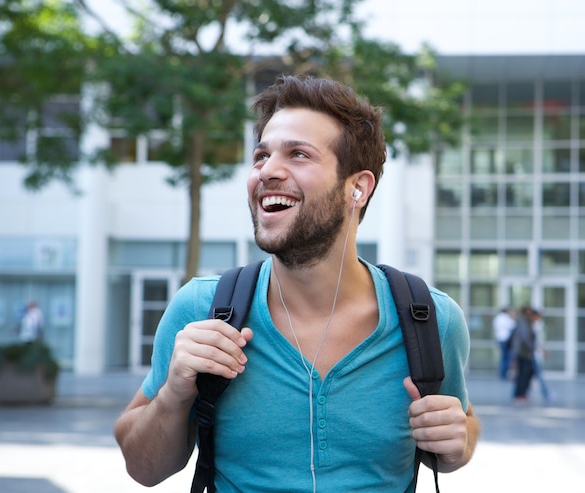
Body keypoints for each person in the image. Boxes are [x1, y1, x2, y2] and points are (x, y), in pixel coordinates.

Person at [114, 75, 480, 492]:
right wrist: (174, 395)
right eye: (261, 156)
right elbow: (142, 468)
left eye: (298, 155)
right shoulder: (202, 308)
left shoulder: (430, 319)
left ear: (357, 188)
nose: (267, 171)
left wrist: (460, 444)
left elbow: (463, 423)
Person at [510, 306, 537, 403]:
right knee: (523, 374)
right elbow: (524, 338)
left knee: (526, 373)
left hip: (525, 353)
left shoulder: (527, 322)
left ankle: (522, 393)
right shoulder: (523, 322)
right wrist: (533, 347)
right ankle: (519, 394)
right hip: (522, 353)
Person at [530, 310, 557, 403]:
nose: (539, 319)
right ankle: (546, 394)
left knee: (529, 375)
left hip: (529, 355)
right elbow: (528, 342)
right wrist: (542, 349)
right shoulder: (528, 325)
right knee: (537, 374)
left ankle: (522, 394)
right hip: (527, 355)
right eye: (538, 316)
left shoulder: (532, 325)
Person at [492, 307, 517, 379]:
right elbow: (513, 325)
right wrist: (513, 317)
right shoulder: (505, 318)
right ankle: (504, 374)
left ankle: (502, 373)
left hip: (499, 339)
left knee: (503, 357)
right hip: (505, 340)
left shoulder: (497, 318)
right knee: (506, 357)